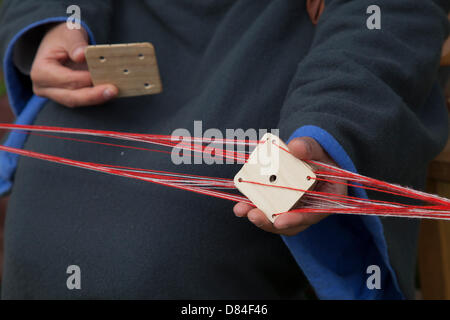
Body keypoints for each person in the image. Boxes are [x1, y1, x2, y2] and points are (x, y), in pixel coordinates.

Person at [0, 0, 448, 299]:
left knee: (166, 254)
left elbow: (388, 15)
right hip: (115, 46)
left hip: (289, 53)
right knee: (43, 243)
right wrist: (59, 20)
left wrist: (330, 128)